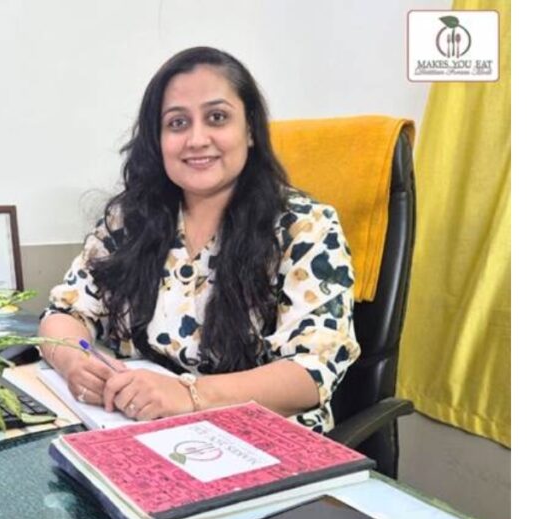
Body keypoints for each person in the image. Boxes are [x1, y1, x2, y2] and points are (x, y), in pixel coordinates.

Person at [39, 46, 360, 433]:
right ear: (158, 139)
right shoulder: (130, 219)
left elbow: (311, 372)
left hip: (260, 441)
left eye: (217, 117)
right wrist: (76, 360)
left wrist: (188, 395)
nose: (196, 139)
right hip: (136, 432)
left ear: (250, 129)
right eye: (177, 123)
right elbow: (64, 313)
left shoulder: (305, 227)